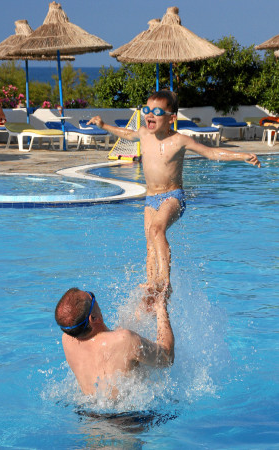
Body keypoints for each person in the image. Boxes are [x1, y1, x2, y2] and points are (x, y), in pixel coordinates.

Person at [88, 90, 261, 296]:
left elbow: (211, 152)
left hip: (173, 196)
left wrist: (241, 156)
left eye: (157, 111)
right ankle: (152, 283)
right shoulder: (144, 133)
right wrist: (103, 126)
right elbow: (126, 134)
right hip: (151, 198)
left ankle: (165, 280)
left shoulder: (179, 140)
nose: (150, 115)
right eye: (147, 110)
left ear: (171, 118)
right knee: (150, 244)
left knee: (156, 230)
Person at [55, 288, 174, 397]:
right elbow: (167, 357)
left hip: (90, 416)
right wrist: (161, 309)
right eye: (92, 296)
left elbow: (116, 339)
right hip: (128, 419)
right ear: (94, 318)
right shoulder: (125, 340)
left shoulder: (66, 339)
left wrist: (142, 309)